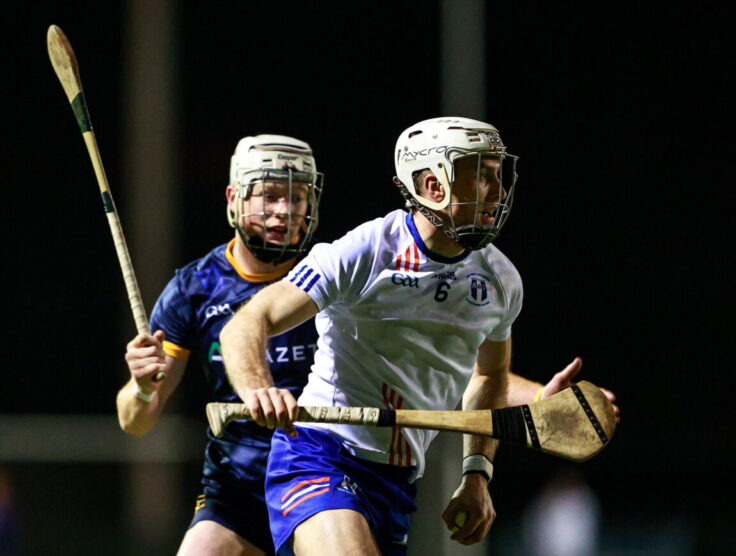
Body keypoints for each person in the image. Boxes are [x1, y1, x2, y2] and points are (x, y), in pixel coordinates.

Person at [220, 117, 619, 555]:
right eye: (481, 176)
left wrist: (478, 473)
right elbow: (249, 320)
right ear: (432, 185)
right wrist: (258, 389)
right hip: (320, 453)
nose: (498, 191)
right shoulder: (366, 251)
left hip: (398, 479)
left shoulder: (500, 281)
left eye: (498, 175)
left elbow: (488, 378)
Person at [116, 135, 324, 555]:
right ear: (234, 198)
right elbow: (134, 423)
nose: (284, 211)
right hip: (236, 490)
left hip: (323, 478)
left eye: (296, 197)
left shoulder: (332, 274)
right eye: (269, 195)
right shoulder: (194, 288)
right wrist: (141, 385)